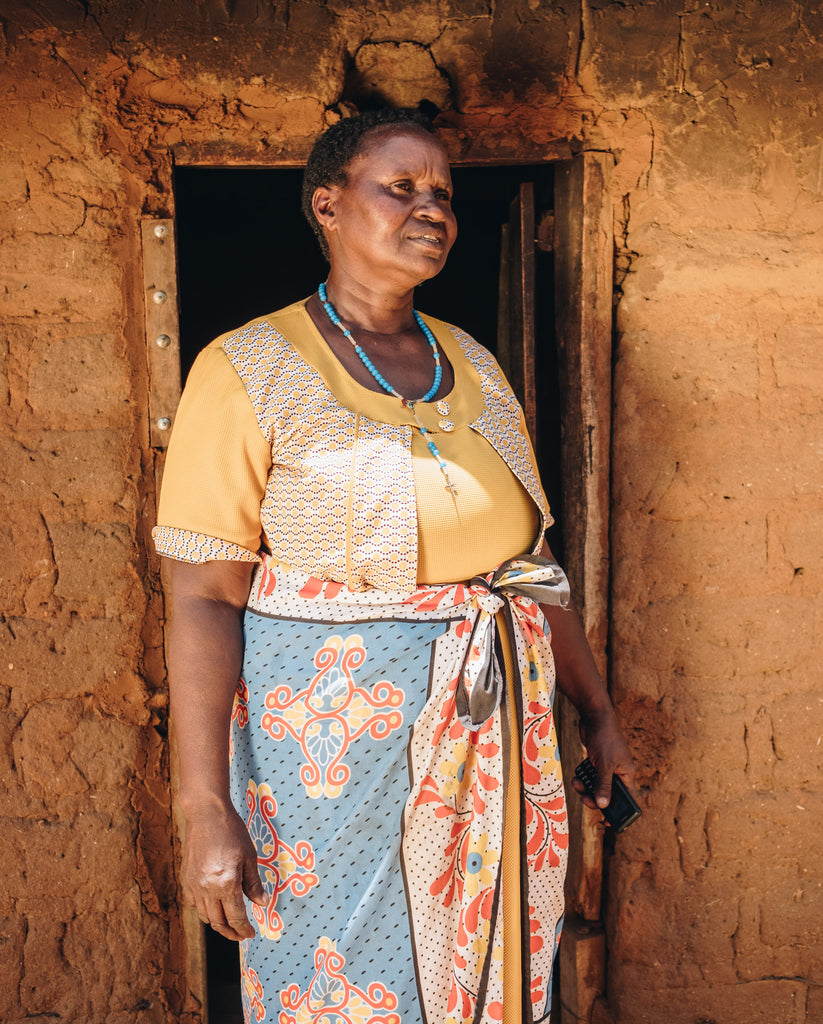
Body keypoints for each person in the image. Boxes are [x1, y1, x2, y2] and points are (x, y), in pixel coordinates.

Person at [154, 108, 634, 1024]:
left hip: (496, 728)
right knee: (341, 964)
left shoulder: (476, 365)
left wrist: (599, 715)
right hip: (332, 746)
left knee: (489, 962)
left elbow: (531, 568)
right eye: (401, 188)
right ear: (327, 207)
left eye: (443, 194)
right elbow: (204, 594)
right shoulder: (247, 367)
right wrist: (203, 805)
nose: (431, 209)